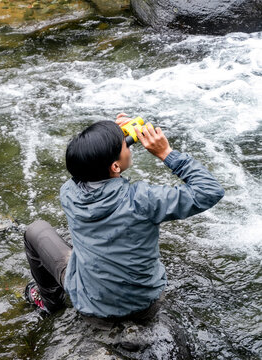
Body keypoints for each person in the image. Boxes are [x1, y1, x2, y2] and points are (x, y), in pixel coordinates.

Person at [23, 115, 225, 321]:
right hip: (143, 306)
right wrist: (166, 153)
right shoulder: (143, 199)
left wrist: (109, 139)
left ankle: (49, 304)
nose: (127, 146)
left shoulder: (68, 193)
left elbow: (89, 164)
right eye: (125, 145)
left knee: (35, 230)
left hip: (88, 302)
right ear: (115, 167)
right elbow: (210, 191)